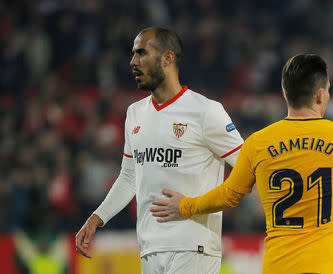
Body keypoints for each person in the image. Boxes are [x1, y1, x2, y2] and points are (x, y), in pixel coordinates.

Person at [150, 54, 333, 274]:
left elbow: (229, 195)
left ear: (285, 94)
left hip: (279, 266)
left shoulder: (258, 143)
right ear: (320, 95)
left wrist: (186, 206)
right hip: (329, 267)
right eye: (328, 90)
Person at [75, 27, 244, 274]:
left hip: (193, 247)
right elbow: (130, 176)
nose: (133, 61)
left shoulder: (206, 111)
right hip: (149, 248)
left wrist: (194, 205)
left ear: (167, 58)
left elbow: (248, 166)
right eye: (133, 54)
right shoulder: (135, 114)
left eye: (141, 53)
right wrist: (97, 218)